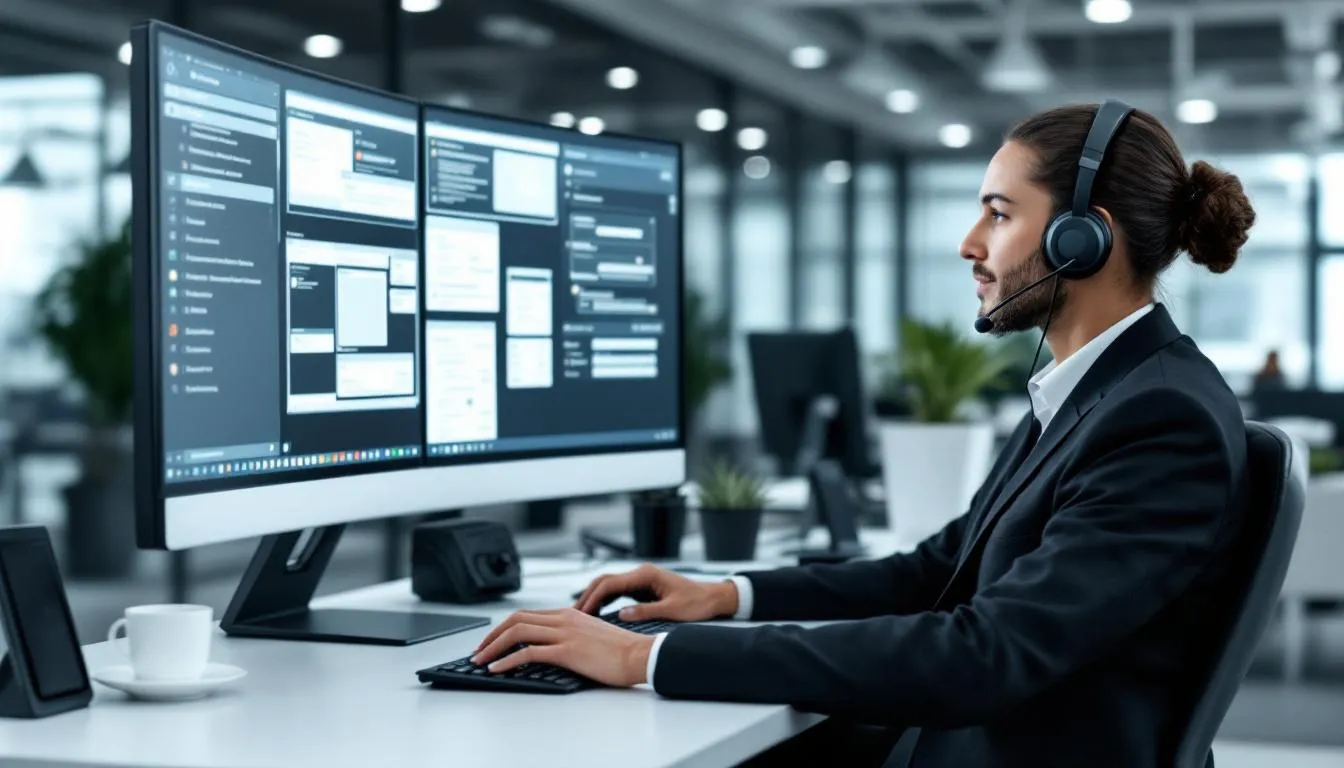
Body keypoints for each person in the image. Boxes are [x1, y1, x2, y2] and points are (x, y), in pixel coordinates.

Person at [472, 101, 1259, 767]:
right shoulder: (1098, 391)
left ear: (1083, 239)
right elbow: (938, 571)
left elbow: (986, 656)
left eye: (999, 213)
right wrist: (724, 595)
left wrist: (643, 655)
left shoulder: (1161, 418)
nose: (969, 244)